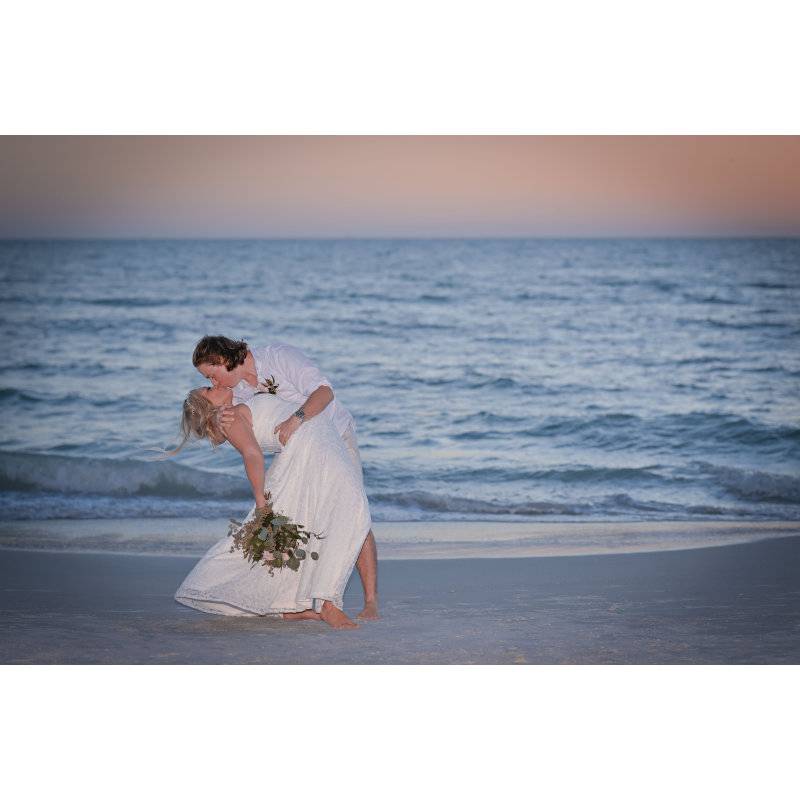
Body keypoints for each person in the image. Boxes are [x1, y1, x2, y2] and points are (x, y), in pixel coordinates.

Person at [191, 335, 379, 621]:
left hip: (335, 436)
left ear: (222, 360)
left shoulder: (277, 356)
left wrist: (296, 418)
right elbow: (231, 435)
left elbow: (325, 392)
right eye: (208, 380)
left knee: (351, 509)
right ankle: (294, 603)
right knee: (303, 518)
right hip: (296, 451)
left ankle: (370, 601)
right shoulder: (237, 392)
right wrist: (215, 421)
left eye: (211, 375)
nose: (214, 383)